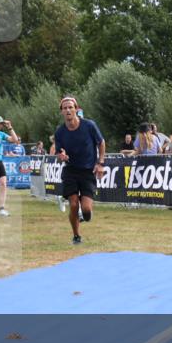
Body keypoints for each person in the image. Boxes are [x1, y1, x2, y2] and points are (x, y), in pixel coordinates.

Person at [53, 96, 105, 245]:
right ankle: (76, 236)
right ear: (61, 112)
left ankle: (87, 214)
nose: (68, 110)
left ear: (76, 109)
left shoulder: (89, 125)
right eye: (65, 108)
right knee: (74, 204)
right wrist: (61, 156)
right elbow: (58, 153)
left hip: (88, 171)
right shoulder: (60, 132)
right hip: (70, 170)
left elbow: (101, 143)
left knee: (86, 210)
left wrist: (100, 163)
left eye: (71, 107)